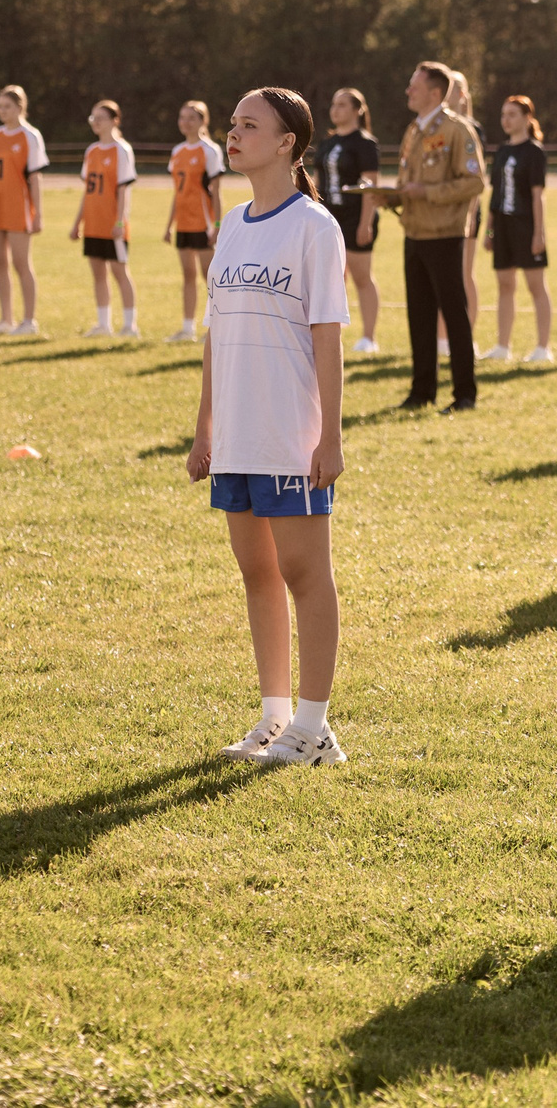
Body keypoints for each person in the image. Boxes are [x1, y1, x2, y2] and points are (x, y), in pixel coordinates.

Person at [185, 87, 349, 767]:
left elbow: (327, 338)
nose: (234, 134)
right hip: (237, 434)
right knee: (256, 571)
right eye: (232, 125)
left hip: (290, 431)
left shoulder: (315, 226)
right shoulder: (233, 222)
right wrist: (204, 429)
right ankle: (275, 718)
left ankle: (316, 729)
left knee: (305, 571)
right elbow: (217, 330)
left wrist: (331, 435)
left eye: (250, 125)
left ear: (288, 143)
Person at [388, 61, 485, 411]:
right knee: (419, 316)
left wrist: (426, 193)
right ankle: (422, 391)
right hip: (414, 233)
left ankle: (464, 394)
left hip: (444, 235)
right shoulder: (413, 130)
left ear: (433, 92)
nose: (408, 90)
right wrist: (389, 195)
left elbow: (474, 182)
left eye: (414, 85)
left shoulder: (458, 131)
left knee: (454, 316)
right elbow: (406, 181)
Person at [485, 96, 554, 363]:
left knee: (536, 285)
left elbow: (538, 195)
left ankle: (543, 347)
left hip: (526, 225)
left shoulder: (534, 151)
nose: (506, 120)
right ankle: (503, 346)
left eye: (512, 114)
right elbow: (495, 192)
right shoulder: (501, 152)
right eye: (503, 114)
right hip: (502, 225)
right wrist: (489, 230)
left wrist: (539, 233)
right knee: (504, 284)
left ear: (527, 117)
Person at [313, 90, 380, 353]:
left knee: (362, 277)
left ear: (357, 110)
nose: (335, 109)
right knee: (332, 278)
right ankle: (332, 334)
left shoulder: (364, 143)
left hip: (355, 218)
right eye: (333, 104)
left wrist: (366, 223)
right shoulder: (327, 143)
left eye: (342, 105)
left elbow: (370, 187)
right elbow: (317, 183)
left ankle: (369, 337)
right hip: (329, 219)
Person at [0, 84, 46, 336]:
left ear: (20, 107)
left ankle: (29, 321)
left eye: (7, 106)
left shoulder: (30, 136)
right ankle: (6, 318)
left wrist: (37, 213)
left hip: (19, 207)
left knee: (21, 263)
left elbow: (35, 178)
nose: (2, 111)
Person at [72, 100, 140, 339]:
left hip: (113, 224)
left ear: (114, 120)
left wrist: (120, 222)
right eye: (93, 117)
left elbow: (123, 190)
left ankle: (130, 325)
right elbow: (87, 191)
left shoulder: (121, 150)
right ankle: (104, 324)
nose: (96, 122)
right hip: (93, 222)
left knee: (120, 272)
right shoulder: (91, 151)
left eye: (101, 117)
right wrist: (77, 222)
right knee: (98, 274)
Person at [164, 99, 227, 346]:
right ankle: (187, 328)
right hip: (184, 224)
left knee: (209, 277)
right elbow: (177, 192)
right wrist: (169, 225)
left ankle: (215, 326)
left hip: (203, 224)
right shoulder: (177, 151)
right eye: (182, 117)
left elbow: (217, 192)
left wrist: (218, 225)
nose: (185, 122)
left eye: (191, 117)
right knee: (187, 275)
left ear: (203, 121)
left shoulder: (209, 151)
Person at [438, 70, 484, 362]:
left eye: (455, 87)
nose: (449, 91)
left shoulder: (470, 128)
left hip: (464, 215)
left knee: (463, 275)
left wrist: (470, 217)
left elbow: (476, 178)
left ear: (463, 95)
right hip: (436, 215)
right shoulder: (434, 126)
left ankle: (465, 337)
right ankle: (441, 338)